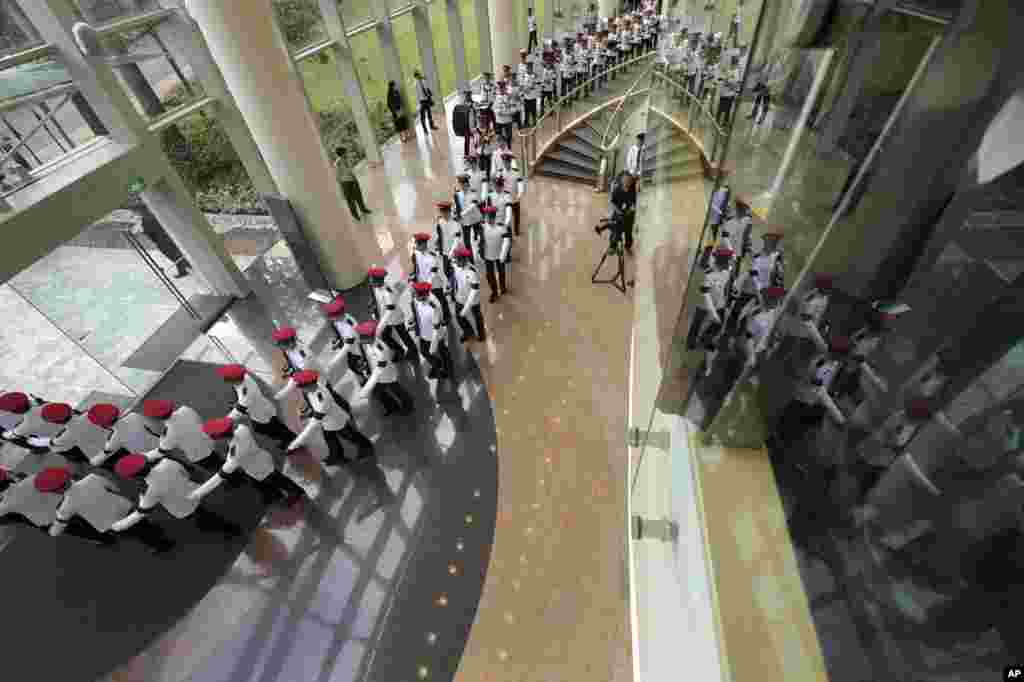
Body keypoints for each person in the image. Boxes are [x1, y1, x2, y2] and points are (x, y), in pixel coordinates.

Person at [334, 145, 372, 221]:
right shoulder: (337, 163)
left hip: (353, 179)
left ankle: (363, 209)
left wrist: (354, 176)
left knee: (358, 196)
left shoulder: (347, 159)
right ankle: (355, 215)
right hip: (346, 183)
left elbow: (351, 169)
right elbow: (337, 176)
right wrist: (341, 186)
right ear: (342, 153)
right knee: (350, 200)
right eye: (345, 152)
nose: (347, 153)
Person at [610, 171, 638, 254]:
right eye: (625, 180)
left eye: (629, 181)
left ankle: (628, 246)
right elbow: (612, 203)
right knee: (615, 230)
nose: (627, 182)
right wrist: (618, 212)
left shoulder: (632, 192)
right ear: (621, 180)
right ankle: (613, 246)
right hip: (618, 212)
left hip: (629, 215)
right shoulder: (617, 190)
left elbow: (633, 205)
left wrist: (630, 211)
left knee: (628, 233)